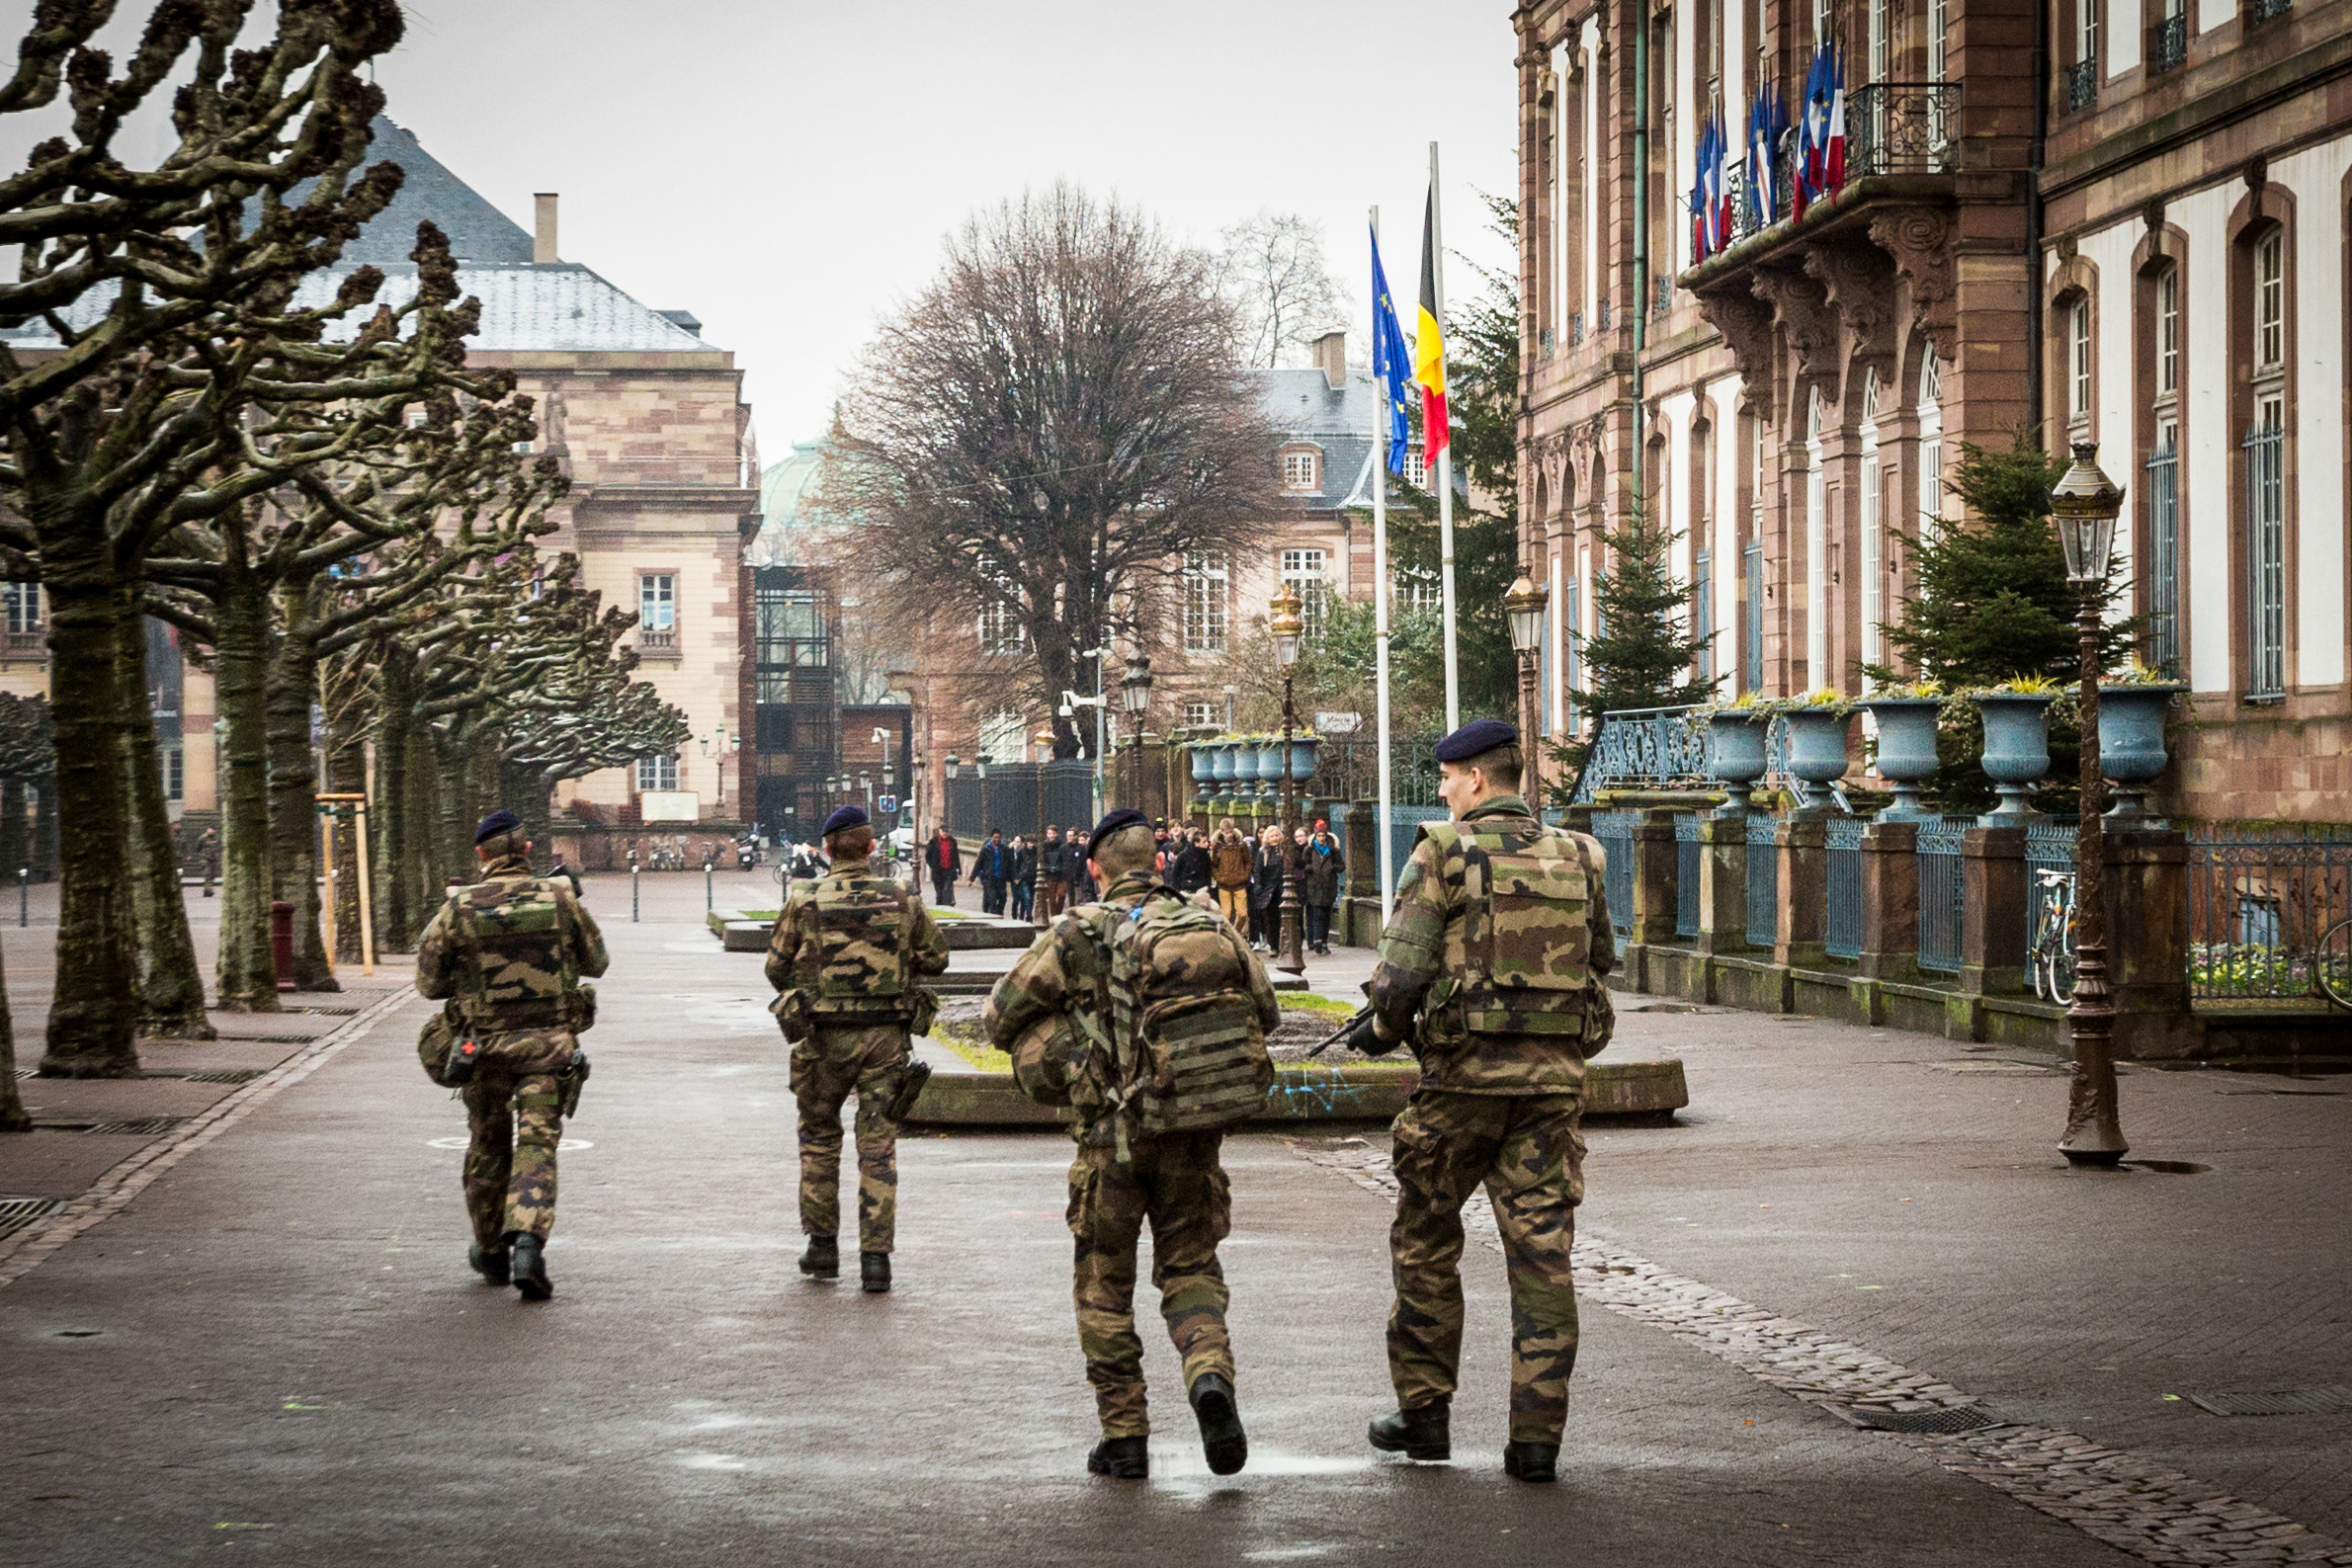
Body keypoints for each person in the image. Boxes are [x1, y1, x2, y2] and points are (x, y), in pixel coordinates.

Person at [982, 808, 1280, 1481]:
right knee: (1192, 1269)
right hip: (1192, 1136)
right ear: (1160, 859)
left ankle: (1125, 1435)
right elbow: (1267, 1011)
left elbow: (1000, 1015)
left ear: (1095, 867)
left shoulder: (1079, 930)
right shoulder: (1208, 922)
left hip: (1110, 1142)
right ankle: (1209, 1379)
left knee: (1103, 1285)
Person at [1358, 718, 1614, 1485]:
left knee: (1427, 1240)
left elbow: (1399, 976)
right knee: (1543, 1259)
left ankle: (1426, 1416)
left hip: (1460, 1088)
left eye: (1446, 778)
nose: (1441, 791)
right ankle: (1536, 1440)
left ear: (1474, 778)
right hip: (1550, 1091)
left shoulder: (1442, 850)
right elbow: (1601, 960)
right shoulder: (1581, 852)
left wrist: (1379, 1029)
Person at [416, 808, 609, 1302]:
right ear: (527, 850)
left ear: (480, 854)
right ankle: (528, 1241)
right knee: (537, 1148)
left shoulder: (457, 908)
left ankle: (489, 1251)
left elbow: (430, 984)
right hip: (549, 1053)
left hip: (483, 1054)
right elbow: (597, 963)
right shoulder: (560, 900)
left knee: (487, 1148)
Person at [767, 804, 951, 1294]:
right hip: (886, 1039)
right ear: (872, 847)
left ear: (826, 849)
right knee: (878, 1147)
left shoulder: (805, 897)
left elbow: (775, 968)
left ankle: (823, 1248)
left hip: (823, 1038)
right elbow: (938, 957)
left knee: (820, 1138)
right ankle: (876, 1262)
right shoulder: (902, 896)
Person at [1299, 820, 1345, 954]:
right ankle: (1318, 940)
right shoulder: (1309, 850)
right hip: (1314, 885)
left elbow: (1341, 866)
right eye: (1319, 836)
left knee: (1326, 914)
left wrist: (1332, 868)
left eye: (1323, 836)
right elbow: (1304, 864)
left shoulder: (1333, 850)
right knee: (1317, 913)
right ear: (1315, 836)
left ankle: (1324, 941)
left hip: (1329, 885)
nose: (1321, 838)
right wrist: (1310, 868)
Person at [1249, 825, 1289, 951]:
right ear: (1268, 837)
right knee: (1272, 918)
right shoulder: (1263, 852)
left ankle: (1285, 944)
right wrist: (1259, 887)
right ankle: (1274, 946)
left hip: (1283, 888)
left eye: (1277, 835)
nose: (1275, 838)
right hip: (1269, 889)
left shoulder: (1284, 850)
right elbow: (1257, 871)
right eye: (1272, 836)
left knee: (1286, 918)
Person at [1210, 818, 1252, 930]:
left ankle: (1235, 932)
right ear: (1222, 832)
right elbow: (1214, 865)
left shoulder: (1241, 845)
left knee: (1242, 914)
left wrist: (1245, 876)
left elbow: (1248, 862)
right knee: (1226, 915)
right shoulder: (1218, 847)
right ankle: (1228, 934)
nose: (1230, 835)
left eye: (1231, 831)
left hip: (1239, 883)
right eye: (1227, 832)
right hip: (1224, 885)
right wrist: (1219, 877)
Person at [973, 828, 1011, 916]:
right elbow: (978, 864)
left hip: (1001, 877)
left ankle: (998, 912)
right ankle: (991, 913)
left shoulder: (1005, 849)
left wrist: (1013, 877)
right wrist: (972, 878)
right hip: (990, 877)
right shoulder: (986, 849)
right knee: (992, 898)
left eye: (999, 837)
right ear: (992, 837)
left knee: (1003, 898)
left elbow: (1010, 864)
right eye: (995, 837)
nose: (997, 840)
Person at [1168, 827, 1213, 898]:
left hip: (1201, 891)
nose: (1207, 843)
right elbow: (1174, 875)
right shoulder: (1183, 855)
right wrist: (1178, 891)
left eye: (1207, 841)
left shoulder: (1206, 857)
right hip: (1184, 891)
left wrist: (1206, 888)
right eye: (1204, 842)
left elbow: (1208, 875)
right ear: (1196, 843)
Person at [924, 826, 962, 907]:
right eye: (943, 831)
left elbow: (956, 856)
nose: (945, 833)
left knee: (947, 889)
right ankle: (939, 905)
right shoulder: (933, 842)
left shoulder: (952, 841)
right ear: (939, 831)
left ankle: (946, 906)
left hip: (949, 870)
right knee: (939, 891)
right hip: (938, 871)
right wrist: (933, 865)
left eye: (946, 831)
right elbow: (928, 856)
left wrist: (958, 869)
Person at [1039, 826, 1069, 919]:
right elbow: (1041, 859)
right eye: (1049, 833)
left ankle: (1057, 915)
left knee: (1061, 896)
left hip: (1061, 875)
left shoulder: (1062, 845)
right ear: (1047, 834)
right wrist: (1048, 868)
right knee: (1051, 898)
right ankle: (1054, 916)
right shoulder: (1044, 846)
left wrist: (1060, 868)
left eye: (1053, 833)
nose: (1052, 835)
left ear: (1057, 834)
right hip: (1049, 875)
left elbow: (1065, 859)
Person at [1008, 834, 1037, 921]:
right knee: (1026, 897)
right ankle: (1028, 916)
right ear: (1026, 843)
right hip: (1024, 878)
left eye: (1033, 843)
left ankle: (1026, 915)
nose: (1031, 845)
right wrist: (1017, 877)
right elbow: (1017, 865)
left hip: (1033, 877)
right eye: (1030, 843)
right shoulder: (1021, 851)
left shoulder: (1036, 851)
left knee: (1030, 898)